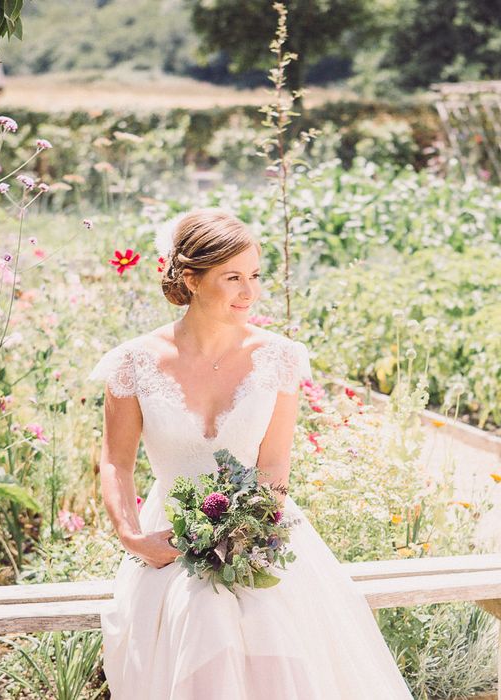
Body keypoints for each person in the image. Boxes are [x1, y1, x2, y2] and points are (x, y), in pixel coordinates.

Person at [88, 208, 414, 699]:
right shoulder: (134, 362)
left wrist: (251, 533)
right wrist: (133, 538)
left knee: (268, 616)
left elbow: (274, 463)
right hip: (169, 536)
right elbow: (116, 462)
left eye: (255, 276)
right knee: (202, 613)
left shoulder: (279, 356)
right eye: (233, 277)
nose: (250, 292)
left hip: (262, 527)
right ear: (192, 279)